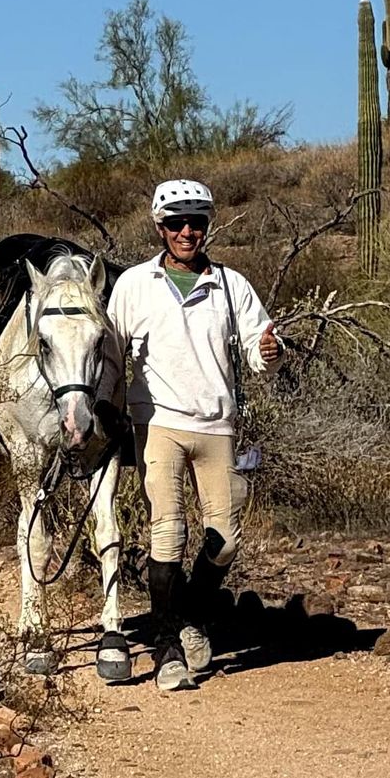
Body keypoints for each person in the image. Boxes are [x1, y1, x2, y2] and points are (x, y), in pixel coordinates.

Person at [96, 179, 284, 691]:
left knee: (224, 540)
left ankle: (190, 615)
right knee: (169, 533)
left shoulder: (231, 284)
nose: (186, 231)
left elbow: (256, 340)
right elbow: (112, 353)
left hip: (217, 424)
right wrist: (105, 406)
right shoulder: (134, 284)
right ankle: (166, 649)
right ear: (159, 228)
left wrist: (268, 351)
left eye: (196, 222)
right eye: (176, 222)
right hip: (157, 424)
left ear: (207, 226)